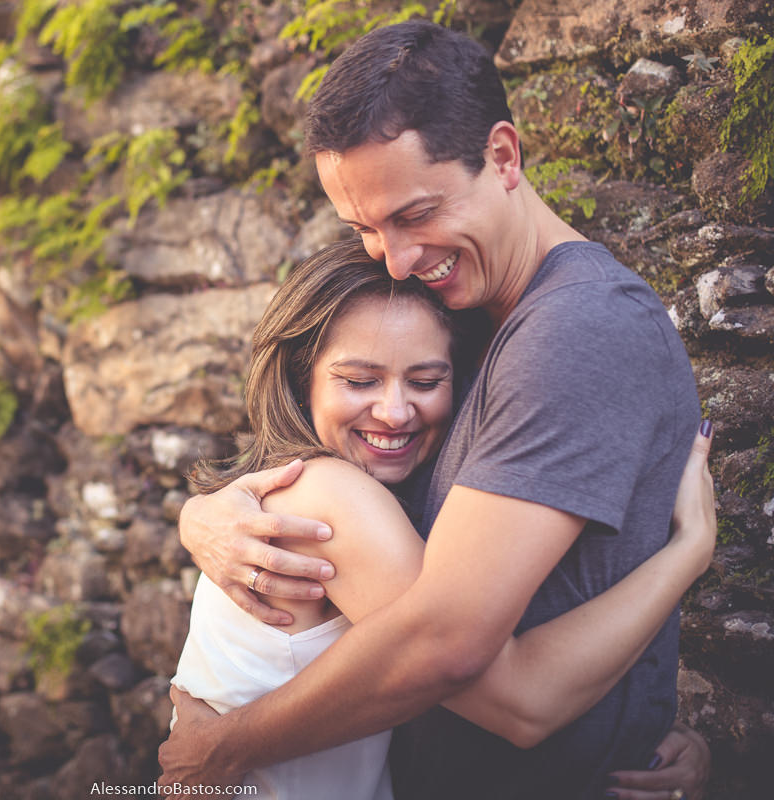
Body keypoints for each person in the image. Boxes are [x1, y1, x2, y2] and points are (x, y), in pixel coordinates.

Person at [160, 19, 711, 800]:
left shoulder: (574, 330)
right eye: (364, 229)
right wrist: (203, 514)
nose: (396, 260)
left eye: (415, 214)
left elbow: (459, 651)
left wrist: (225, 749)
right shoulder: (467, 315)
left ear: (504, 157)